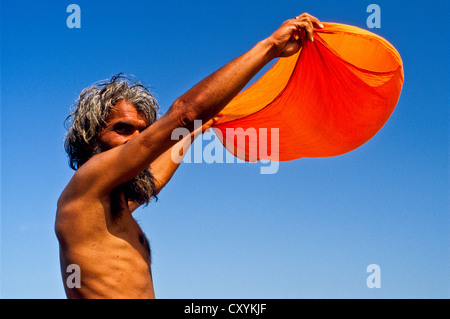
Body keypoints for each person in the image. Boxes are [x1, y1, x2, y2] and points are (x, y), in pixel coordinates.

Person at [55, 13, 323, 299]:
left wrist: (195, 130)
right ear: (89, 140)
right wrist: (270, 46)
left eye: (142, 132)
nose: (136, 140)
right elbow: (185, 113)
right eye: (122, 129)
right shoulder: (84, 189)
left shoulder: (113, 209)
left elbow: (154, 178)